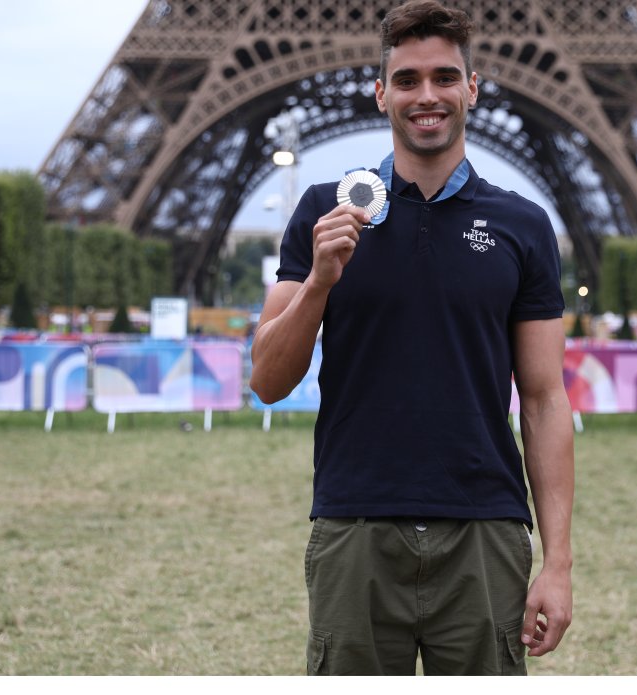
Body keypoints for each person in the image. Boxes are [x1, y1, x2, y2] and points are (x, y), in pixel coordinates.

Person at [250, 0, 574, 676]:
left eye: (444, 77)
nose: (427, 95)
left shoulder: (523, 225)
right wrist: (319, 282)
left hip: (484, 527)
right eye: (407, 80)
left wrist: (559, 564)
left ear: (471, 88)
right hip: (355, 523)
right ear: (381, 93)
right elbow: (268, 381)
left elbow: (545, 399)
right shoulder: (323, 210)